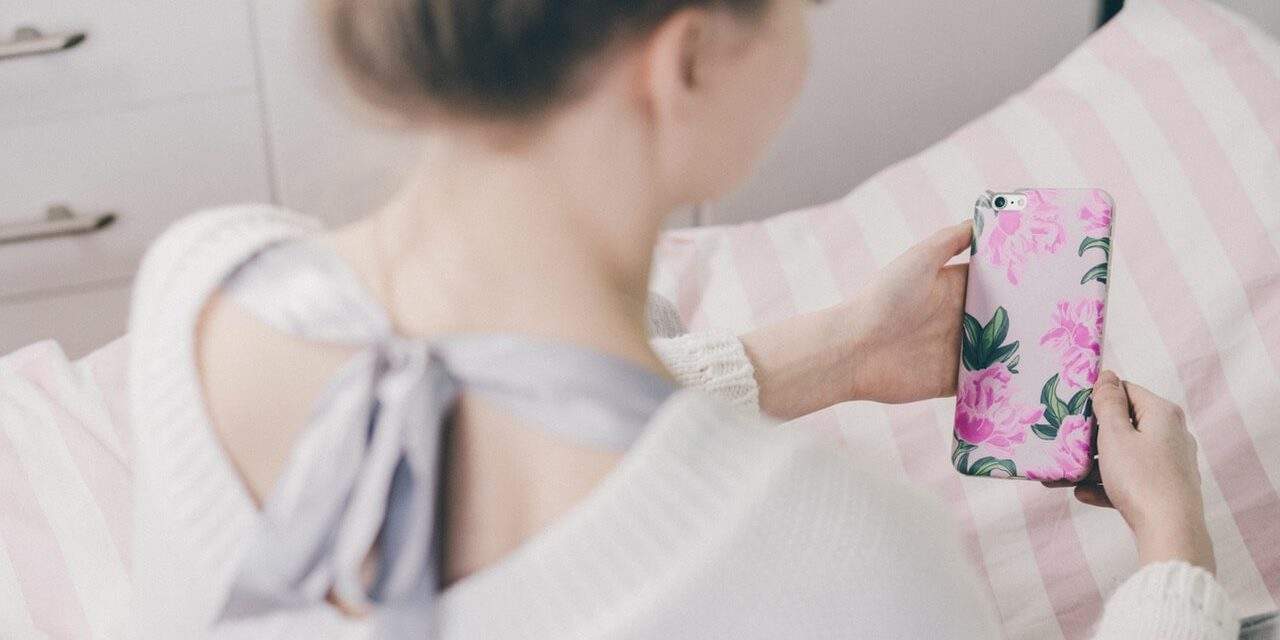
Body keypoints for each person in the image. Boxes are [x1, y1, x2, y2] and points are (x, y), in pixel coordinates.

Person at [127, 0, 1239, 637]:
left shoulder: (204, 285)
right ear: (689, 54)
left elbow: (488, 412)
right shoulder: (842, 554)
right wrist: (1171, 550)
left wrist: (841, 349)